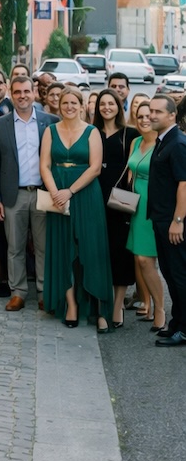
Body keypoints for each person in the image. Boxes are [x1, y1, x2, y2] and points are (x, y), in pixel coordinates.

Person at [40, 87, 113, 331]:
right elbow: (44, 166)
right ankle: (70, 304)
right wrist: (55, 193)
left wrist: (70, 191)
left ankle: (101, 309)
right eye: (65, 103)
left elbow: (95, 168)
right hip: (58, 196)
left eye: (74, 102)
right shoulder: (50, 131)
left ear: (82, 105)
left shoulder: (92, 132)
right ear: (58, 106)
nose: (69, 106)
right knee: (63, 250)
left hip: (85, 195)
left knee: (92, 251)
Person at [0, 76, 58, 311]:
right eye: (17, 92)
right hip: (12, 195)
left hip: (42, 193)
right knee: (14, 246)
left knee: (43, 247)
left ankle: (43, 291)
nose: (22, 96)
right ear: (11, 93)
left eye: (26, 91)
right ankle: (18, 292)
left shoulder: (50, 122)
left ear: (34, 93)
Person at [94, 88, 137, 328]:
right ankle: (102, 305)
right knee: (99, 254)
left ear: (119, 107)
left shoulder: (130, 134)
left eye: (111, 103)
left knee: (120, 254)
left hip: (120, 201)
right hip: (94, 198)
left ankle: (118, 304)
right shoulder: (92, 132)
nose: (107, 107)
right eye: (102, 103)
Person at [147, 96, 186, 347]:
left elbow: (184, 184)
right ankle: (176, 323)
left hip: (174, 224)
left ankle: (184, 330)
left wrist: (178, 220)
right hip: (160, 220)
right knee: (170, 274)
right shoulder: (163, 141)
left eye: (157, 112)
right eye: (150, 111)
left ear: (172, 115)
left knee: (180, 275)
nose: (151, 115)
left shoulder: (178, 143)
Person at [126, 103, 166, 332]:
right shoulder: (136, 142)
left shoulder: (163, 144)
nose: (143, 120)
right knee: (141, 259)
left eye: (148, 116)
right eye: (139, 116)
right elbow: (130, 172)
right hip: (136, 204)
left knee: (147, 259)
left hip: (156, 204)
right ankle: (150, 305)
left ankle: (160, 308)